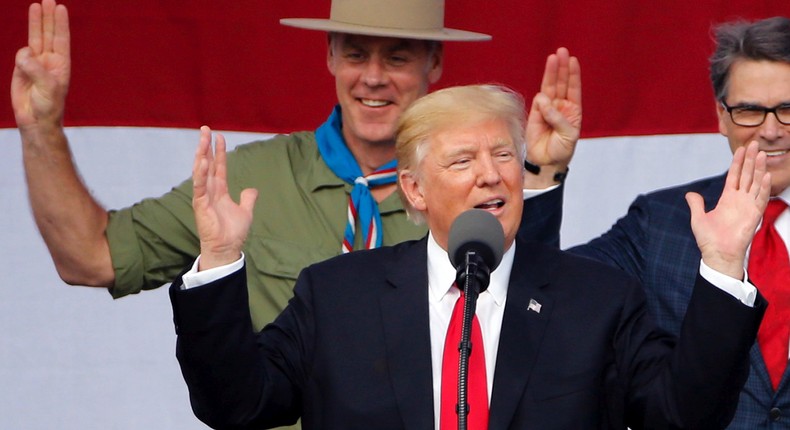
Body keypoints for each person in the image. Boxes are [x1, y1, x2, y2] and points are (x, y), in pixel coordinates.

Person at [169, 84, 769, 429]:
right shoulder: (335, 295)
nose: (492, 177)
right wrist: (220, 257)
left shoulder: (597, 300)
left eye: (504, 156)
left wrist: (720, 267)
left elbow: (685, 418)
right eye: (462, 162)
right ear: (415, 190)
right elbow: (236, 404)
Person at [11, 0, 577, 331]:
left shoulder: (476, 185)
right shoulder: (252, 177)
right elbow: (89, 258)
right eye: (354, 53)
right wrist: (41, 128)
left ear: (436, 61)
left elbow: (534, 324)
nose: (372, 77)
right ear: (329, 54)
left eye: (397, 57)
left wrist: (541, 176)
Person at [530, 16, 790, 428]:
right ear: (721, 117)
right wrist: (542, 174)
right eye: (750, 111)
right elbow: (547, 289)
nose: (772, 130)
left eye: (788, 109)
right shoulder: (661, 223)